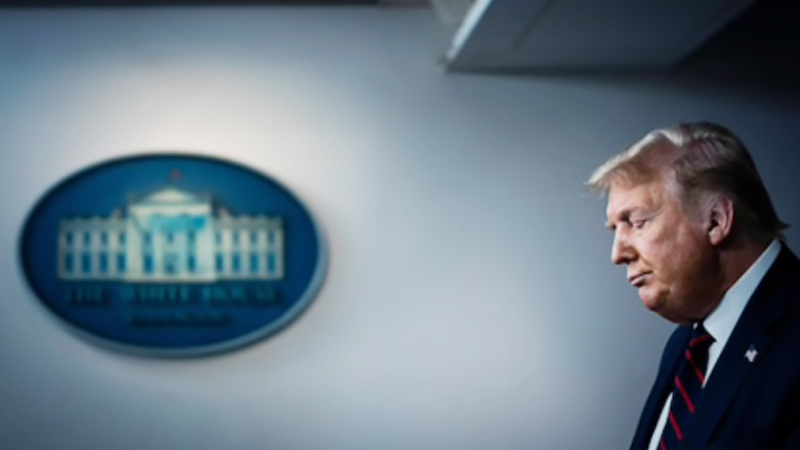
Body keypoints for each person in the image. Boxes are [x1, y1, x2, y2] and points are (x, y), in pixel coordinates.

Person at [586, 121, 800, 450]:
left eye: (637, 222)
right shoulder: (685, 344)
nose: (618, 254)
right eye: (614, 229)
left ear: (716, 220)